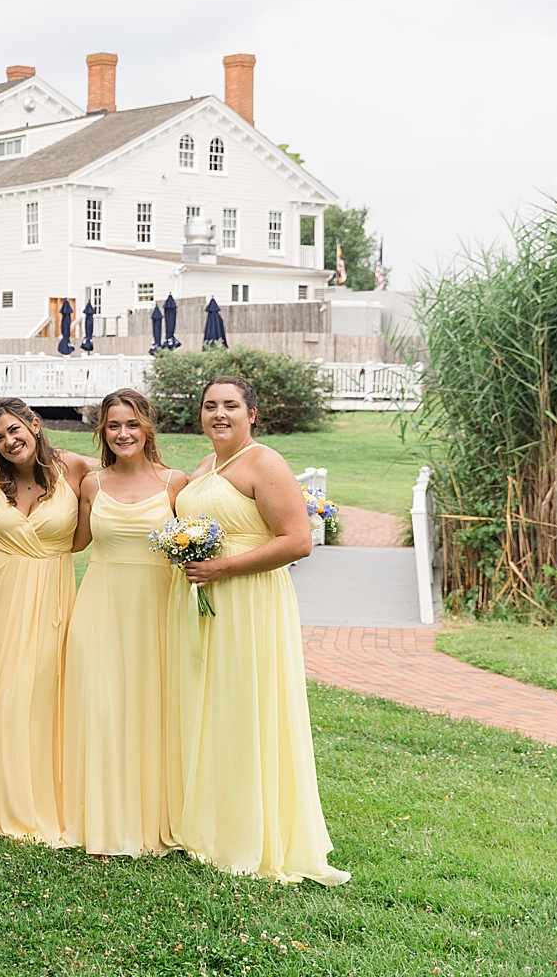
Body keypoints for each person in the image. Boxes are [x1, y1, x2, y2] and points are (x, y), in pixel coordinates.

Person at [176, 376, 349, 884]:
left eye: (230, 405)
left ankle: (253, 832)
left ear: (253, 413)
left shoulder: (265, 462)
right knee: (213, 707)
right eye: (210, 406)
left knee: (246, 706)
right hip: (206, 599)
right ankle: (213, 820)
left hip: (250, 600)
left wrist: (222, 569)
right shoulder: (207, 466)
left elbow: (298, 542)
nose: (219, 414)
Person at [60, 389, 189, 856]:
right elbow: (70, 543)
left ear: (148, 427)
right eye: (113, 426)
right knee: (103, 708)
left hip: (157, 611)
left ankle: (155, 816)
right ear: (102, 432)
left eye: (131, 424)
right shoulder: (92, 485)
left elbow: (202, 540)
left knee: (153, 707)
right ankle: (103, 819)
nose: (123, 434)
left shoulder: (177, 483)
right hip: (100, 609)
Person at [0, 396, 91, 844]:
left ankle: (44, 797)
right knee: (1, 695)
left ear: (35, 425)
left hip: (52, 592)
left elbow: (129, 475)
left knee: (40, 695)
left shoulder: (76, 468)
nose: (10, 441)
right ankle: (4, 795)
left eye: (16, 430)